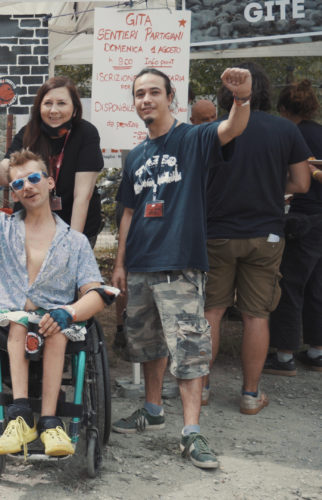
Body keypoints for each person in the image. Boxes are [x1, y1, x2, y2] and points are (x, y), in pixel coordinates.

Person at [110, 67, 253, 470]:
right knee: (149, 346)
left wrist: (242, 100)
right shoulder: (135, 155)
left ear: (170, 98)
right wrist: (120, 263)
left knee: (189, 351)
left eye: (154, 92)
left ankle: (191, 433)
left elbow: (231, 129)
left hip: (180, 266)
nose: (146, 100)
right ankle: (152, 410)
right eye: (139, 94)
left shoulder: (192, 138)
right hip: (139, 266)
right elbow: (128, 212)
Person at [0, 118, 108, 457]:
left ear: (50, 181)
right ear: (13, 192)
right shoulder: (2, 228)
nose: (27, 186)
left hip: (56, 320)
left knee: (55, 327)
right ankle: (20, 417)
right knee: (16, 322)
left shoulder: (75, 241)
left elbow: (95, 293)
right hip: (12, 318)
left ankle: (51, 423)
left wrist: (68, 312)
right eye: (18, 183)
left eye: (34, 178)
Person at [202, 62, 311, 414]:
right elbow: (302, 184)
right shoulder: (285, 130)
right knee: (256, 315)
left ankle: (200, 389)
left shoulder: (213, 129)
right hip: (266, 234)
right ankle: (250, 395)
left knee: (211, 312)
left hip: (216, 233)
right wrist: (269, 189)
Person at [0, 76, 105, 245]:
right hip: (32, 228)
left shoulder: (86, 133)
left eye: (61, 103)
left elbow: (82, 196)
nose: (54, 110)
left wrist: (73, 243)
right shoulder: (28, 133)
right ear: (39, 107)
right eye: (48, 103)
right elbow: (4, 177)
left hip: (75, 224)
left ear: (75, 109)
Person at [266, 79, 322, 374]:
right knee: (317, 286)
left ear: (285, 108)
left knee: (290, 285)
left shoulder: (289, 133)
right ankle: (316, 350)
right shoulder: (320, 132)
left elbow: (290, 179)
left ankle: (285, 354)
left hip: (302, 218)